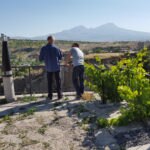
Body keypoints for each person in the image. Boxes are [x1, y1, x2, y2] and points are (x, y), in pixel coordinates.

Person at [39, 36, 63, 100]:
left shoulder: (43, 48)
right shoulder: (57, 48)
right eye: (53, 40)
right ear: (52, 40)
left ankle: (50, 96)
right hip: (56, 67)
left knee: (50, 82)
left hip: (48, 68)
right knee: (58, 82)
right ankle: (59, 95)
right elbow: (60, 57)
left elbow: (40, 59)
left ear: (48, 40)